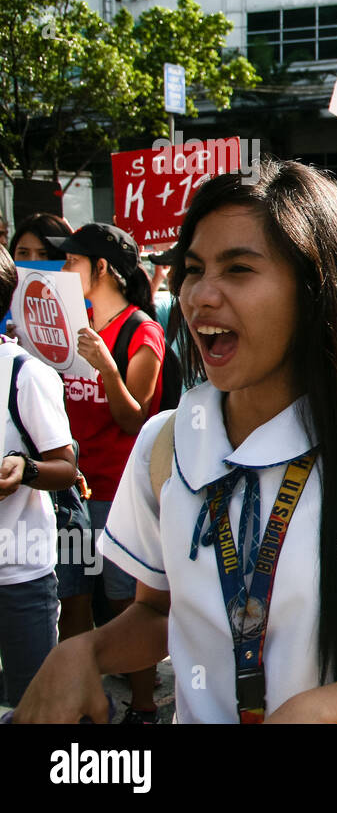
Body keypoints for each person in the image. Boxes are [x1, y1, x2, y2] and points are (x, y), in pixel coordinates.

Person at [15, 161, 337, 724]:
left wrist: (322, 709)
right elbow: (160, 615)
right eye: (192, 269)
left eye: (238, 269)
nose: (200, 297)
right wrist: (84, 651)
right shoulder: (164, 445)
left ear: (316, 291)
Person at [50, 222, 165, 722]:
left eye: (72, 262)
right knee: (72, 598)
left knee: (124, 606)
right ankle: (80, 700)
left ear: (101, 269)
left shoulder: (142, 330)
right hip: (68, 487)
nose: (64, 271)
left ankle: (142, 707)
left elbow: (133, 418)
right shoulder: (68, 325)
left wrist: (107, 369)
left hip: (116, 493)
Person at [0, 245, 78, 709]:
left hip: (18, 576)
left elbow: (66, 468)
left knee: (31, 705)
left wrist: (24, 470)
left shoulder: (25, 375)